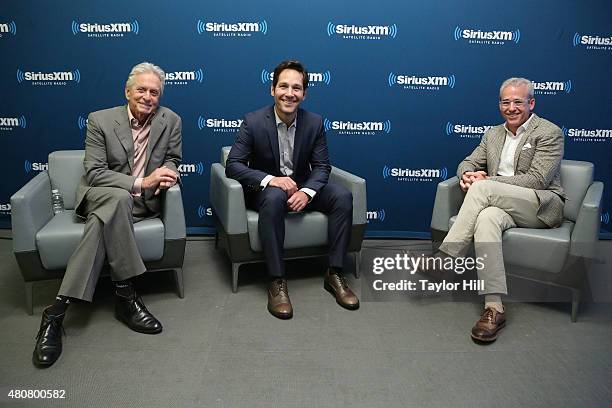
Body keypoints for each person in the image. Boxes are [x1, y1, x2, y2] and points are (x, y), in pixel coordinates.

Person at [32, 62, 182, 367]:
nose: (147, 96)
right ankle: (126, 295)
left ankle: (56, 312)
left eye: (154, 92)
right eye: (141, 89)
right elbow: (96, 173)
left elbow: (173, 158)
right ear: (127, 91)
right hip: (101, 195)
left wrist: (170, 171)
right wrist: (142, 182)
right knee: (116, 199)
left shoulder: (172, 120)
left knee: (111, 214)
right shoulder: (99, 120)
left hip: (138, 205)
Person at [432, 77, 564, 342]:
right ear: (499, 105)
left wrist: (485, 182)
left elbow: (537, 179)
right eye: (506, 102)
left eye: (518, 101)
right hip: (499, 205)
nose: (511, 107)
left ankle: (447, 257)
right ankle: (494, 308)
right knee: (487, 217)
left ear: (531, 103)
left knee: (483, 190)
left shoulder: (548, 132)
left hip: (538, 205)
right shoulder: (492, 134)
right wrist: (467, 174)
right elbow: (468, 161)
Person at [225, 60, 358, 319]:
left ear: (304, 94)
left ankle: (335, 273)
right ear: (272, 89)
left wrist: (306, 192)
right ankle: (276, 280)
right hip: (266, 193)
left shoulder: (314, 123)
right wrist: (270, 179)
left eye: (296, 88)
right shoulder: (253, 122)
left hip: (301, 188)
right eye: (283, 86)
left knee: (342, 196)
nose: (289, 93)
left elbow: (321, 166)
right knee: (274, 196)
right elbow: (233, 165)